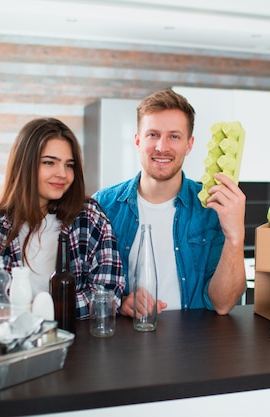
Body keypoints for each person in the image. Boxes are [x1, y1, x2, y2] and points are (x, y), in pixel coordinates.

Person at [0, 117, 125, 319]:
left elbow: (109, 295)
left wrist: (30, 313)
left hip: (74, 344)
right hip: (14, 347)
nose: (63, 174)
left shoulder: (89, 219)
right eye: (49, 162)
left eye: (69, 165)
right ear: (24, 164)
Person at [93, 88, 246, 316]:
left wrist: (235, 237)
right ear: (137, 140)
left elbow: (222, 304)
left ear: (189, 144)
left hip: (194, 344)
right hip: (126, 343)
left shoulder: (212, 207)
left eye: (174, 136)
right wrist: (119, 301)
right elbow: (85, 284)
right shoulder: (103, 206)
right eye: (152, 134)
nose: (162, 147)